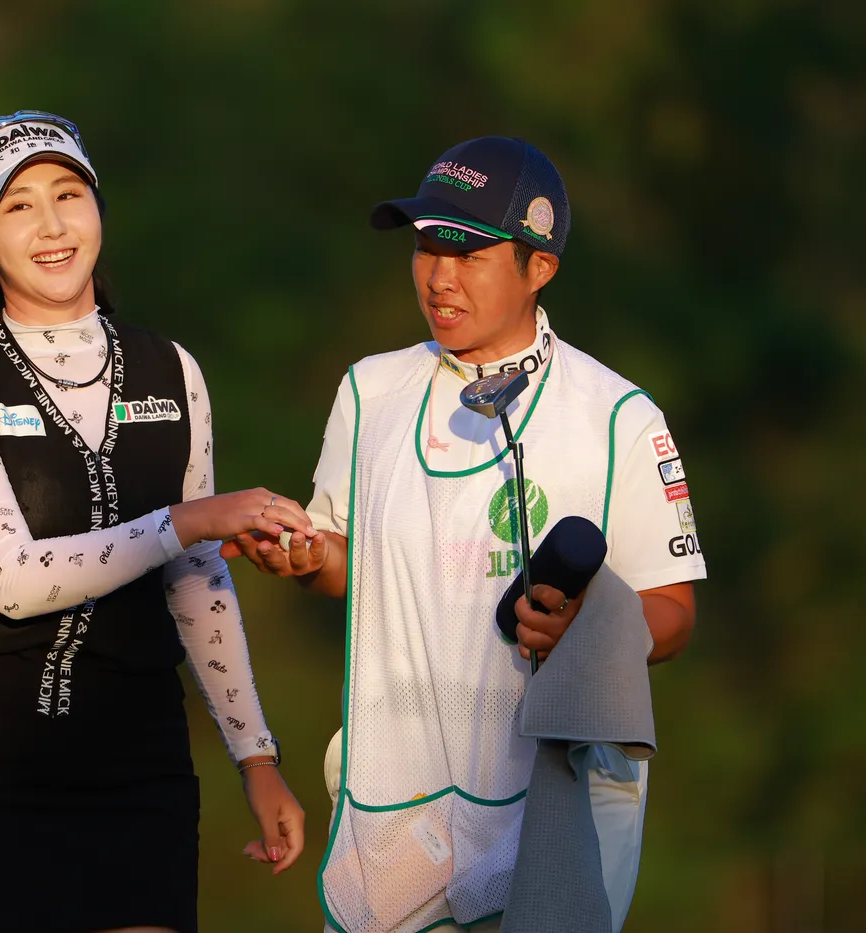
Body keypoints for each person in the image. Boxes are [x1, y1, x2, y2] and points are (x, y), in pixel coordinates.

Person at [0, 110, 314, 933]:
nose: (52, 225)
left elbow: (197, 580)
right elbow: (12, 580)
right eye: (18, 206)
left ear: (98, 208)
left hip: (134, 763)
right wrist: (189, 518)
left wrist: (256, 757)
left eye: (68, 194)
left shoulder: (173, 369)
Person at [224, 137, 707, 933]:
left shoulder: (621, 416)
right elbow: (348, 562)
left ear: (539, 266)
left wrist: (588, 628)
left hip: (554, 799)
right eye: (427, 247)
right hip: (400, 800)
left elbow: (674, 611)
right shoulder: (370, 390)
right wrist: (304, 554)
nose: (439, 277)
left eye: (469, 253)